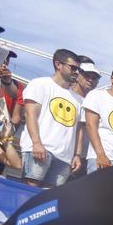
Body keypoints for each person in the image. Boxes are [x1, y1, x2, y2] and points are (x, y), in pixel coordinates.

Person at [19, 48, 82, 187]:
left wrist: (77, 155)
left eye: (78, 69)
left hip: (64, 158)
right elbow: (30, 114)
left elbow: (78, 130)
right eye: (73, 68)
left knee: (48, 203)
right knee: (28, 193)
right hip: (40, 149)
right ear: (58, 64)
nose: (76, 72)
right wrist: (36, 143)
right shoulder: (40, 84)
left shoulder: (78, 100)